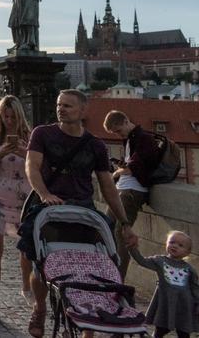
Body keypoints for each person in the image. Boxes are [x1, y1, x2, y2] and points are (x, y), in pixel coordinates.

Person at [18, 89, 139, 338]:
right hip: (48, 207)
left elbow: (107, 185)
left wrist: (125, 223)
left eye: (68, 106)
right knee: (41, 264)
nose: (61, 109)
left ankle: (88, 325)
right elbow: (32, 166)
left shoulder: (95, 145)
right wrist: (43, 194)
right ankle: (39, 308)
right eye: (59, 105)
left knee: (92, 266)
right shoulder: (43, 133)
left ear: (83, 111)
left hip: (83, 210)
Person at [0, 95, 33, 322]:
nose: (9, 121)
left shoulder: (31, 137)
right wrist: (0, 154)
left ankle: (27, 290)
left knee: (27, 250)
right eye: (5, 116)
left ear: (20, 116)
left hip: (24, 199)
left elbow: (40, 169)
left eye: (13, 116)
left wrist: (25, 154)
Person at [103, 109, 161, 279]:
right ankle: (109, 272)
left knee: (122, 234)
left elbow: (133, 168)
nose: (119, 135)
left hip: (132, 192)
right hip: (123, 190)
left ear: (126, 121)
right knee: (105, 226)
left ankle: (117, 280)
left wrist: (116, 173)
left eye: (119, 130)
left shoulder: (144, 138)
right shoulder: (132, 138)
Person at [129, 231, 198, 338]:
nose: (174, 246)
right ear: (166, 244)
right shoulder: (160, 261)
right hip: (165, 304)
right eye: (172, 242)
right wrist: (133, 248)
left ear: (187, 252)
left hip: (184, 305)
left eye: (180, 245)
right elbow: (142, 261)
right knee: (160, 329)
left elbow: (195, 288)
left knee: (184, 332)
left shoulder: (189, 269)